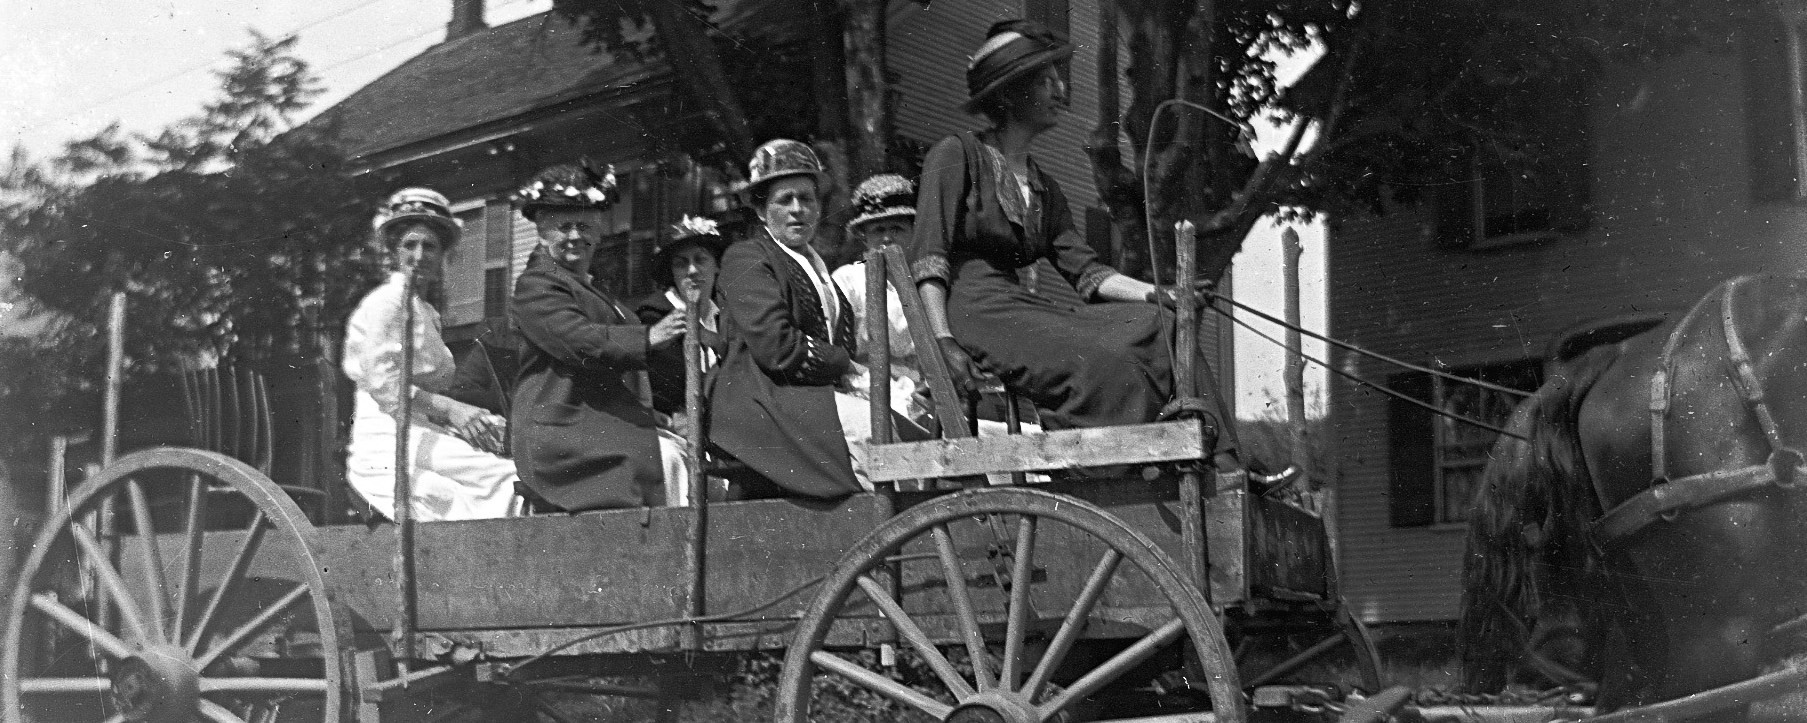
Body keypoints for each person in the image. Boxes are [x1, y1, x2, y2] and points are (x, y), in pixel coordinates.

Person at [910, 19, 1239, 471]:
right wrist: (941, 341)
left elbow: (1089, 273)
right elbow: (929, 257)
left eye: (1057, 78)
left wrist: (1160, 293)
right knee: (1106, 361)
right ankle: (1122, 474)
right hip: (971, 314)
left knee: (1162, 325)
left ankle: (1225, 466)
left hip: (1020, 308)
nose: (1060, 90)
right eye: (1044, 81)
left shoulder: (1044, 186)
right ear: (1008, 95)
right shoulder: (955, 155)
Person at [509, 163, 692, 510]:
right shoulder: (536, 285)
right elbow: (578, 340)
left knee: (683, 452)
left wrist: (667, 419)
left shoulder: (588, 287)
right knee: (663, 458)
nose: (575, 236)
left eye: (584, 226)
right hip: (562, 427)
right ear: (543, 233)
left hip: (595, 420)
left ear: (599, 231)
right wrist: (647, 337)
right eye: (564, 228)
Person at [708, 139, 873, 498]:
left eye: (807, 199)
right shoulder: (746, 258)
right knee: (876, 431)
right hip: (762, 400)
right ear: (761, 210)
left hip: (807, 396)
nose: (798, 210)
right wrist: (847, 366)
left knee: (911, 424)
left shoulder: (816, 266)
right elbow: (777, 349)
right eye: (785, 200)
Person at [342, 188, 518, 521]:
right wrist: (451, 410)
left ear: (442, 256)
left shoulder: (425, 312)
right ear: (395, 252)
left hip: (422, 431)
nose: (420, 255)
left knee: (504, 459)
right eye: (410, 245)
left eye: (430, 247)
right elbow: (384, 385)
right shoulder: (386, 303)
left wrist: (478, 420)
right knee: (501, 478)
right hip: (387, 438)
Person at [636, 215, 728, 427]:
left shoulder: (726, 316)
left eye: (701, 259)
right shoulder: (653, 318)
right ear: (672, 273)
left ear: (717, 266)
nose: (692, 271)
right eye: (681, 264)